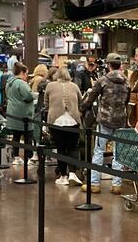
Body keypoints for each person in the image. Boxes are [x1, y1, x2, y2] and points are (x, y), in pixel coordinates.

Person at [80, 53, 130, 194]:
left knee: (98, 151)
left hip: (105, 121)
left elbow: (90, 98)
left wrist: (82, 108)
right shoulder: (127, 81)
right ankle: (116, 185)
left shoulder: (103, 80)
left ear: (108, 65)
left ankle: (94, 184)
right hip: (121, 120)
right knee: (118, 153)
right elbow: (126, 101)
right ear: (120, 65)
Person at [44, 68, 83, 186]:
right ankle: (73, 173)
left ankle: (63, 176)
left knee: (61, 148)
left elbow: (46, 103)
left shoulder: (50, 86)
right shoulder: (74, 86)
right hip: (73, 120)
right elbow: (81, 102)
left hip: (56, 121)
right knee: (72, 147)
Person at [6, 62, 37, 168]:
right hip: (23, 114)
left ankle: (16, 157)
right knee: (28, 136)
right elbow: (28, 96)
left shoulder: (9, 82)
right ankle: (29, 157)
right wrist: (34, 95)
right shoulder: (21, 83)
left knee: (16, 136)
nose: (27, 76)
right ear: (22, 73)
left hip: (12, 113)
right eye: (26, 74)